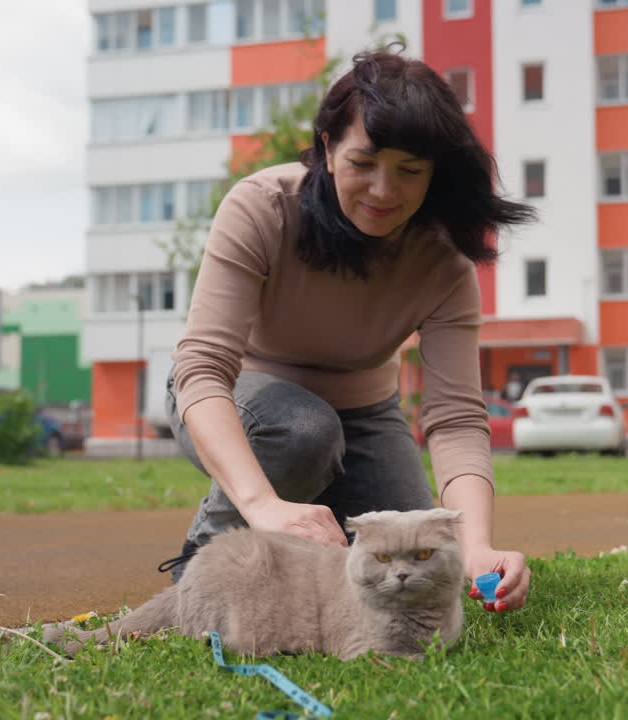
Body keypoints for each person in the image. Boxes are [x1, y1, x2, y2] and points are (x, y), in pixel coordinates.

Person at [162, 50, 536, 613]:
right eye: (364, 163)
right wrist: (262, 504)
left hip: (365, 414)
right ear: (328, 148)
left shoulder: (444, 263)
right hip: (241, 399)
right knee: (302, 432)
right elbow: (203, 369)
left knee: (416, 560)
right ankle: (206, 561)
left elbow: (456, 417)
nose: (384, 191)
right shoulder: (263, 207)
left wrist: (476, 546)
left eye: (410, 170)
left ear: (434, 173)